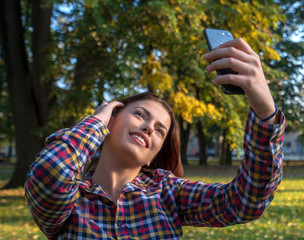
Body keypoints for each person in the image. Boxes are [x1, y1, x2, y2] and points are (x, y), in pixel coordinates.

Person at [25, 38, 285, 239]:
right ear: (111, 120)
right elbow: (50, 171)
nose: (150, 127)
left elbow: (245, 202)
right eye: (140, 114)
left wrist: (265, 113)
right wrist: (96, 121)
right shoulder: (69, 201)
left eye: (160, 130)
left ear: (153, 156)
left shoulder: (168, 193)